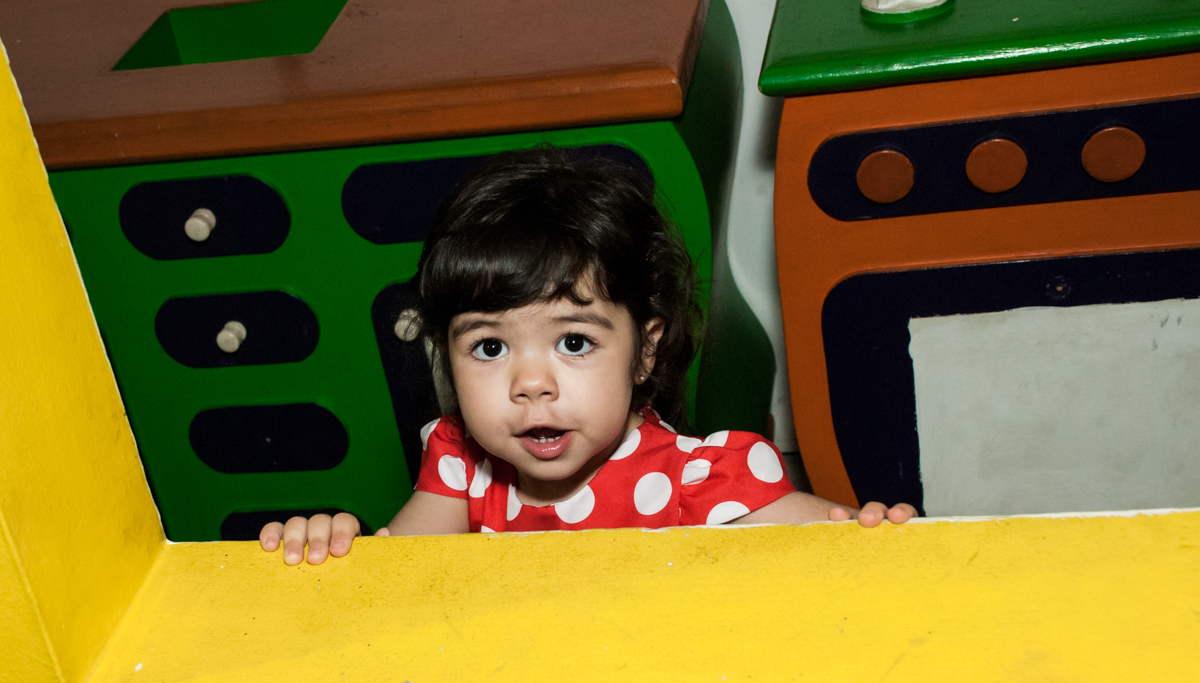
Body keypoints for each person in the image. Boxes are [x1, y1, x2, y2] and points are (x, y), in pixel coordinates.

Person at [261, 148, 915, 565]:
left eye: (574, 342)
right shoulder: (462, 469)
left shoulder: (701, 481)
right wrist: (330, 548)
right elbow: (392, 577)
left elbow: (835, 552)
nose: (531, 383)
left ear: (644, 350)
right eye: (489, 346)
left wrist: (875, 540)